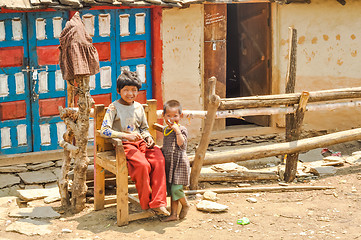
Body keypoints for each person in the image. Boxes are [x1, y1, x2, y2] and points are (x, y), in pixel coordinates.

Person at [100, 70, 169, 216]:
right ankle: (146, 202)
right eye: (126, 90)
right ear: (119, 90)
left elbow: (143, 128)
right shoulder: (114, 108)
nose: (130, 94)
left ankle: (158, 202)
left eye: (134, 90)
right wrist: (126, 136)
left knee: (159, 160)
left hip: (142, 143)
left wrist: (148, 137)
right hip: (124, 145)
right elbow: (104, 130)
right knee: (142, 165)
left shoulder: (138, 107)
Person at [161, 100, 190, 221]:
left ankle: (185, 204)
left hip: (179, 164)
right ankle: (173, 214)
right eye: (169, 116)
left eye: (175, 116)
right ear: (163, 116)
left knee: (176, 189)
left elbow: (181, 144)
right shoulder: (165, 130)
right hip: (169, 163)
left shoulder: (182, 129)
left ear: (180, 116)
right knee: (172, 190)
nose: (172, 119)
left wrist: (177, 130)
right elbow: (167, 145)